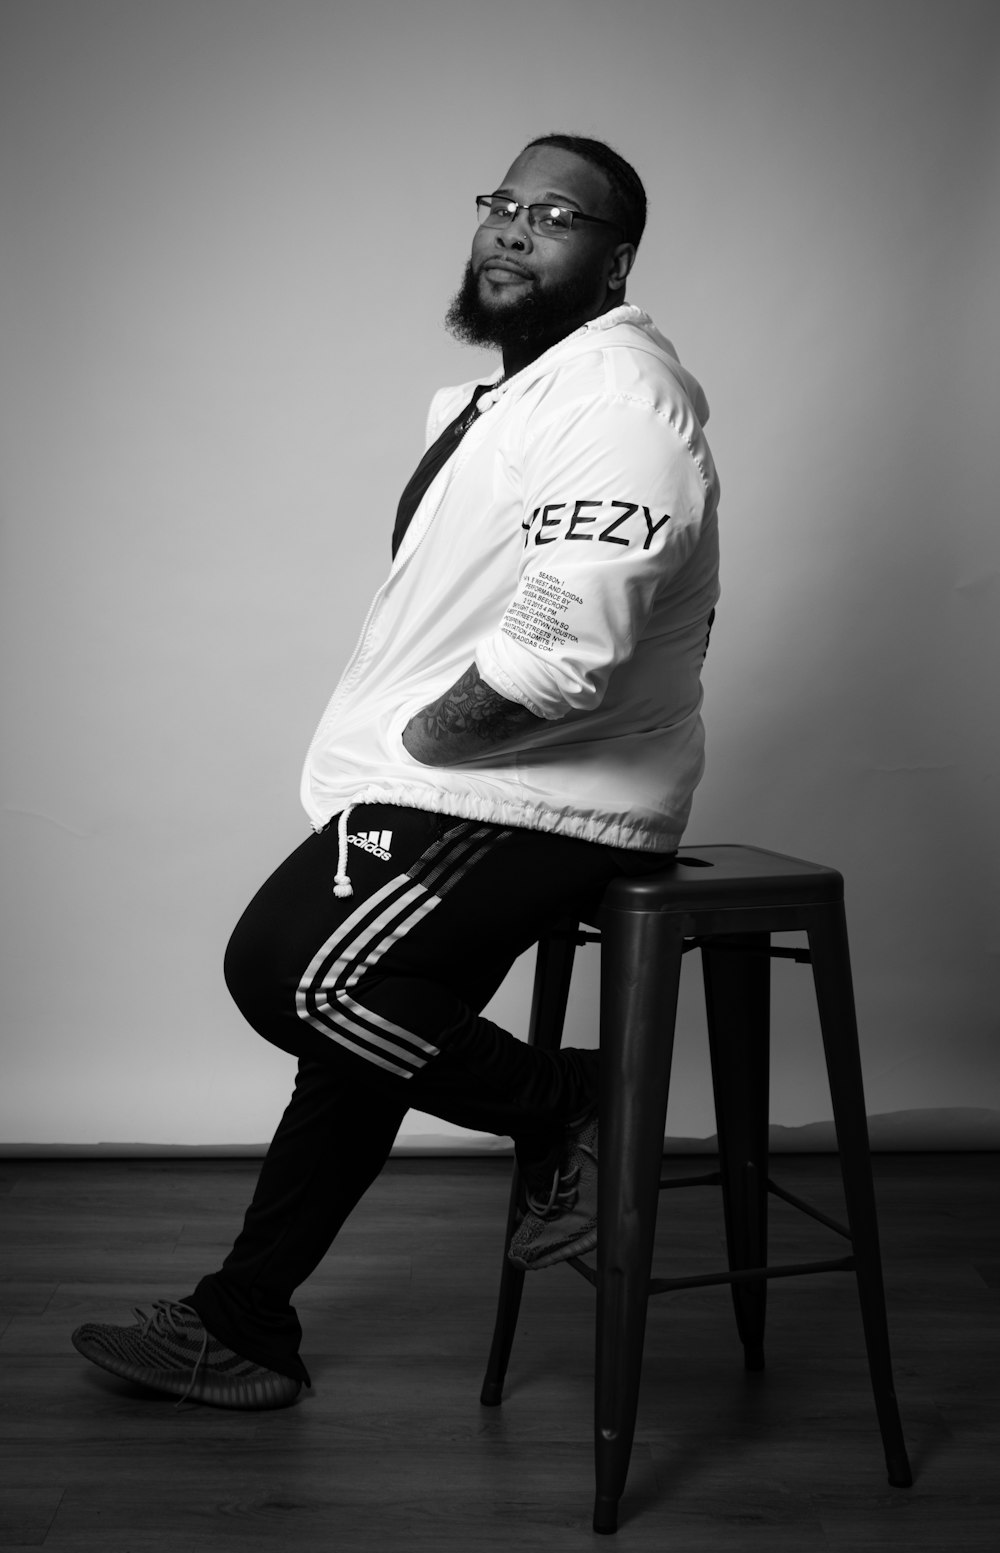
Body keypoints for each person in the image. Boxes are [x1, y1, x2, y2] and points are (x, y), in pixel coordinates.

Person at [72, 134, 720, 1411]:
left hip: (536, 792)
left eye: (558, 215)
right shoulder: (512, 399)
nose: (514, 229)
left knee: (291, 970)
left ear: (616, 256)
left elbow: (563, 647)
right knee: (360, 1037)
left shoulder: (617, 398)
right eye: (502, 204)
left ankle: (570, 1103)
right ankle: (244, 1321)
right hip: (469, 789)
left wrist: (425, 745)